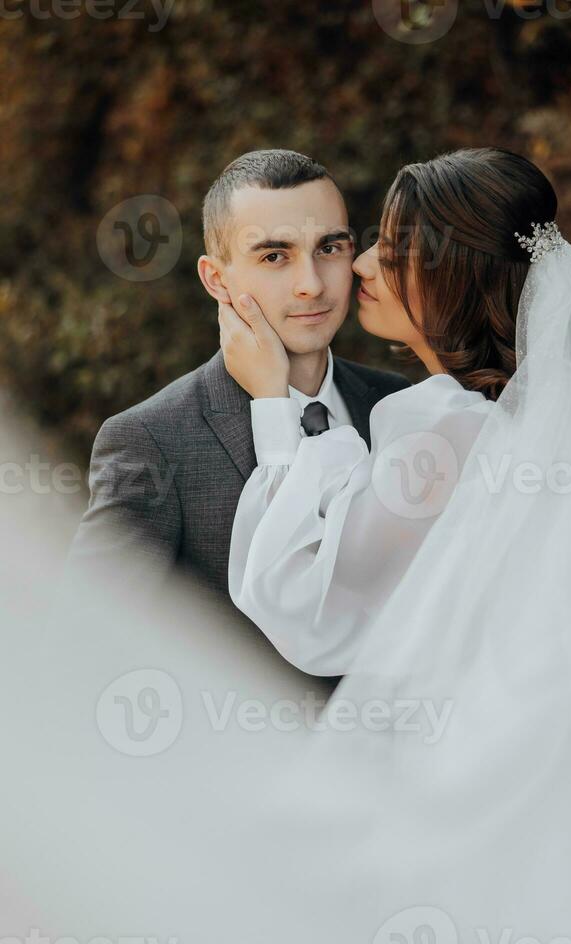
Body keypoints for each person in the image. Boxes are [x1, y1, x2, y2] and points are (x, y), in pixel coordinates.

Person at [223, 147, 571, 944]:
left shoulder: (450, 432)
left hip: (479, 797)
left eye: (400, 248)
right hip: (561, 795)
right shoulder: (506, 428)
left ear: (457, 273)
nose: (370, 266)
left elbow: (308, 604)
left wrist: (275, 407)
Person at [65, 149, 411, 636]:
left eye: (329, 248)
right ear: (216, 278)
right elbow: (84, 634)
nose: (311, 284)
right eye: (274, 256)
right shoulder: (152, 440)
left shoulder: (398, 404)